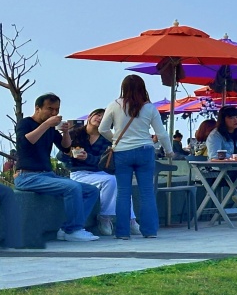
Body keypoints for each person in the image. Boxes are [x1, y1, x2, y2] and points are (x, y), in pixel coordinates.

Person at [15, 93, 100, 241]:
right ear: (37, 108)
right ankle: (72, 231)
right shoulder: (25, 123)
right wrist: (47, 124)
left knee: (91, 191)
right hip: (27, 176)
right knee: (72, 188)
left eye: (57, 109)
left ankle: (69, 227)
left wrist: (66, 132)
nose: (54, 113)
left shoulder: (50, 129)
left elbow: (66, 148)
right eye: (50, 109)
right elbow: (26, 143)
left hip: (46, 175)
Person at [99, 75, 173, 239]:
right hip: (145, 151)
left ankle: (123, 232)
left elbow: (102, 129)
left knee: (123, 193)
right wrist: (169, 151)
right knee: (147, 192)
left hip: (122, 152)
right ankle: (150, 231)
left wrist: (116, 139)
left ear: (123, 87)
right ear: (142, 87)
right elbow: (161, 133)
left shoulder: (114, 105)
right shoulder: (149, 108)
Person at [57, 108, 141, 236]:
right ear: (90, 117)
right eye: (97, 115)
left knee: (121, 184)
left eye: (104, 117)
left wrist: (87, 158)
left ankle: (130, 220)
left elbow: (105, 162)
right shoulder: (75, 134)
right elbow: (60, 156)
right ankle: (105, 217)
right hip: (79, 174)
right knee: (111, 180)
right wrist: (71, 154)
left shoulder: (107, 139)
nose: (100, 118)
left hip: (100, 173)